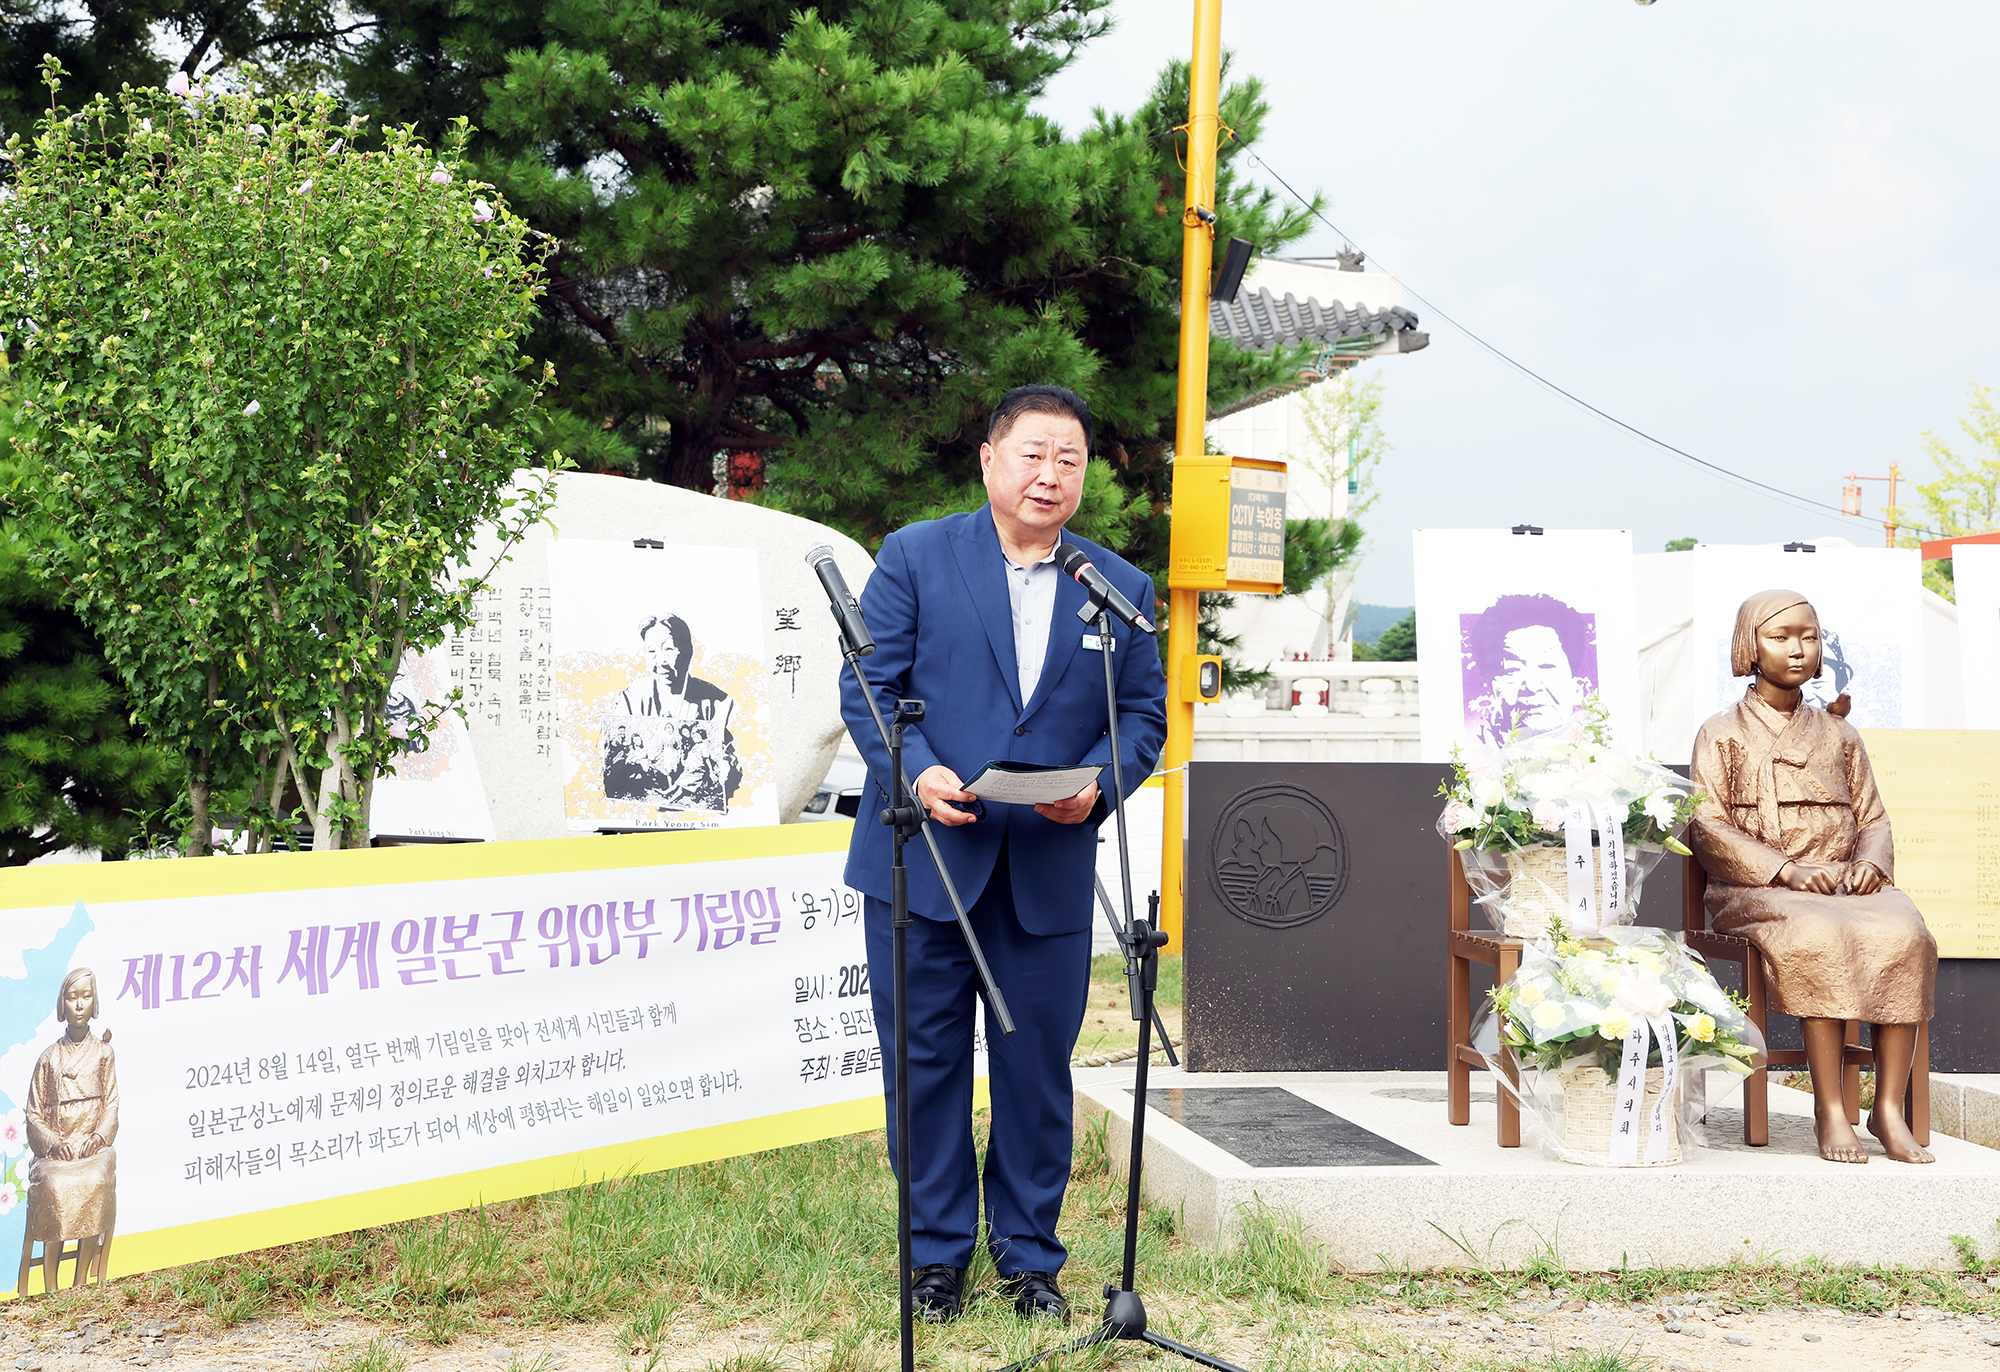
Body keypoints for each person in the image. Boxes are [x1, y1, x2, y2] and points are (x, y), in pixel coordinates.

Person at [840, 385, 1166, 1324]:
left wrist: (1101, 783)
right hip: (928, 857)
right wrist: (919, 771)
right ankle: (934, 1262)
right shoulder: (915, 556)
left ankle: (1030, 1262)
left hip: (1047, 869)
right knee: (926, 1067)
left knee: (1036, 1075)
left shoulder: (1116, 586)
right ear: (990, 460)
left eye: (1068, 458)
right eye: (1031, 454)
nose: (1049, 474)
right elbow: (868, 682)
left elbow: (1142, 713)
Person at [1688, 589, 1937, 1165]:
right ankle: (1829, 1108)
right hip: (1758, 889)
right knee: (1820, 938)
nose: (1798, 649)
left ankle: (1888, 1109)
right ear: (1750, 646)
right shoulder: (1721, 732)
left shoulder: (1841, 734)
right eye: (1781, 637)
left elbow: (1873, 816)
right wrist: (1786, 871)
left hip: (1848, 884)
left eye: (1809, 636)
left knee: (1905, 935)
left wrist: (1869, 865)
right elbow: (1706, 823)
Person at [18, 968, 118, 1294]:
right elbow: (34, 1112)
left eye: (85, 996)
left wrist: (98, 1137)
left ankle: (80, 1283)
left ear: (95, 1001)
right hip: (56, 1152)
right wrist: (52, 1142)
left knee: (96, 1181)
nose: (79, 1004)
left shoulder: (104, 1053)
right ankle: (51, 1287)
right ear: (62, 1003)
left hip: (91, 1148)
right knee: (56, 1185)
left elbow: (112, 1104)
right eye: (72, 997)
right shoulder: (49, 1058)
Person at [605, 612, 742, 811]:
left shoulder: (720, 702)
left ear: (688, 652)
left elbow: (736, 755)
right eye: (651, 652)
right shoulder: (632, 697)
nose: (660, 661)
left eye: (668, 649)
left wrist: (726, 766)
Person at [1461, 593, 1597, 745]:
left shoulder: (1599, 761)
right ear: (1494, 691)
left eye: (1546, 666)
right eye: (1513, 670)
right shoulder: (1475, 757)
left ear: (1577, 689)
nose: (1532, 686)